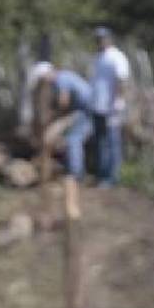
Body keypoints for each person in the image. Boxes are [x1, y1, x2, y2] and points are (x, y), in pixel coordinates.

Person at [28, 63, 95, 180]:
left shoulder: (61, 79)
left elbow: (64, 102)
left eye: (42, 79)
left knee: (73, 139)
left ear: (46, 74)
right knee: (71, 137)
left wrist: (56, 118)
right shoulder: (63, 77)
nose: (44, 83)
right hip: (83, 109)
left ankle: (75, 174)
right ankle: (74, 171)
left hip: (84, 109)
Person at [88, 26, 131, 187]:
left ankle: (113, 176)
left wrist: (119, 100)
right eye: (97, 39)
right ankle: (102, 174)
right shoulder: (98, 57)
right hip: (98, 106)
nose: (99, 41)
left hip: (112, 107)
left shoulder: (116, 57)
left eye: (102, 38)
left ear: (109, 39)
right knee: (100, 141)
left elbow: (122, 79)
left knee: (112, 141)